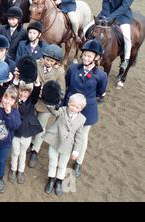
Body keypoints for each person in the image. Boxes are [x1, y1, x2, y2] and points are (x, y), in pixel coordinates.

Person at [63, 39, 108, 178]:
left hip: (87, 109)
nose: (86, 58)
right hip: (70, 105)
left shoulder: (101, 75)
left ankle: (79, 162)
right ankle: (64, 158)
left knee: (82, 137)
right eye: (84, 55)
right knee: (67, 132)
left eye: (89, 56)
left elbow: (100, 93)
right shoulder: (72, 68)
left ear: (97, 58)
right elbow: (67, 82)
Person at [29, 44, 66, 168]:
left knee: (41, 127)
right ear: (43, 57)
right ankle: (28, 142)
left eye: (51, 61)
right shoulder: (36, 63)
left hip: (46, 104)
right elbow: (29, 78)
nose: (48, 62)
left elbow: (62, 91)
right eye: (46, 59)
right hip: (33, 99)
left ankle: (35, 150)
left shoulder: (60, 72)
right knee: (29, 122)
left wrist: (50, 94)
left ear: (56, 62)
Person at [43, 94, 87, 196]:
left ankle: (59, 180)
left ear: (81, 108)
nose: (74, 108)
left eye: (77, 107)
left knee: (63, 164)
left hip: (67, 145)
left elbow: (79, 136)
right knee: (53, 161)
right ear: (68, 103)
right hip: (55, 140)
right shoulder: (62, 110)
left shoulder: (82, 119)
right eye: (72, 105)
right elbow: (54, 111)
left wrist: (76, 151)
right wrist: (51, 102)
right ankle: (51, 178)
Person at [97, 0, 137, 70]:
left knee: (127, 37)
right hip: (107, 12)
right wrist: (106, 14)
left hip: (122, 16)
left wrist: (111, 18)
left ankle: (125, 60)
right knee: (91, 27)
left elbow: (124, 6)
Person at [9, 78, 41, 184]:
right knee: (15, 152)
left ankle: (21, 171)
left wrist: (36, 82)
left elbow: (36, 93)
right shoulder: (14, 101)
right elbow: (12, 89)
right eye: (21, 91)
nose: (23, 94)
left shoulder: (31, 101)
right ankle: (13, 170)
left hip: (27, 133)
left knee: (23, 153)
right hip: (16, 132)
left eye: (26, 92)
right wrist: (16, 80)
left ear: (29, 93)